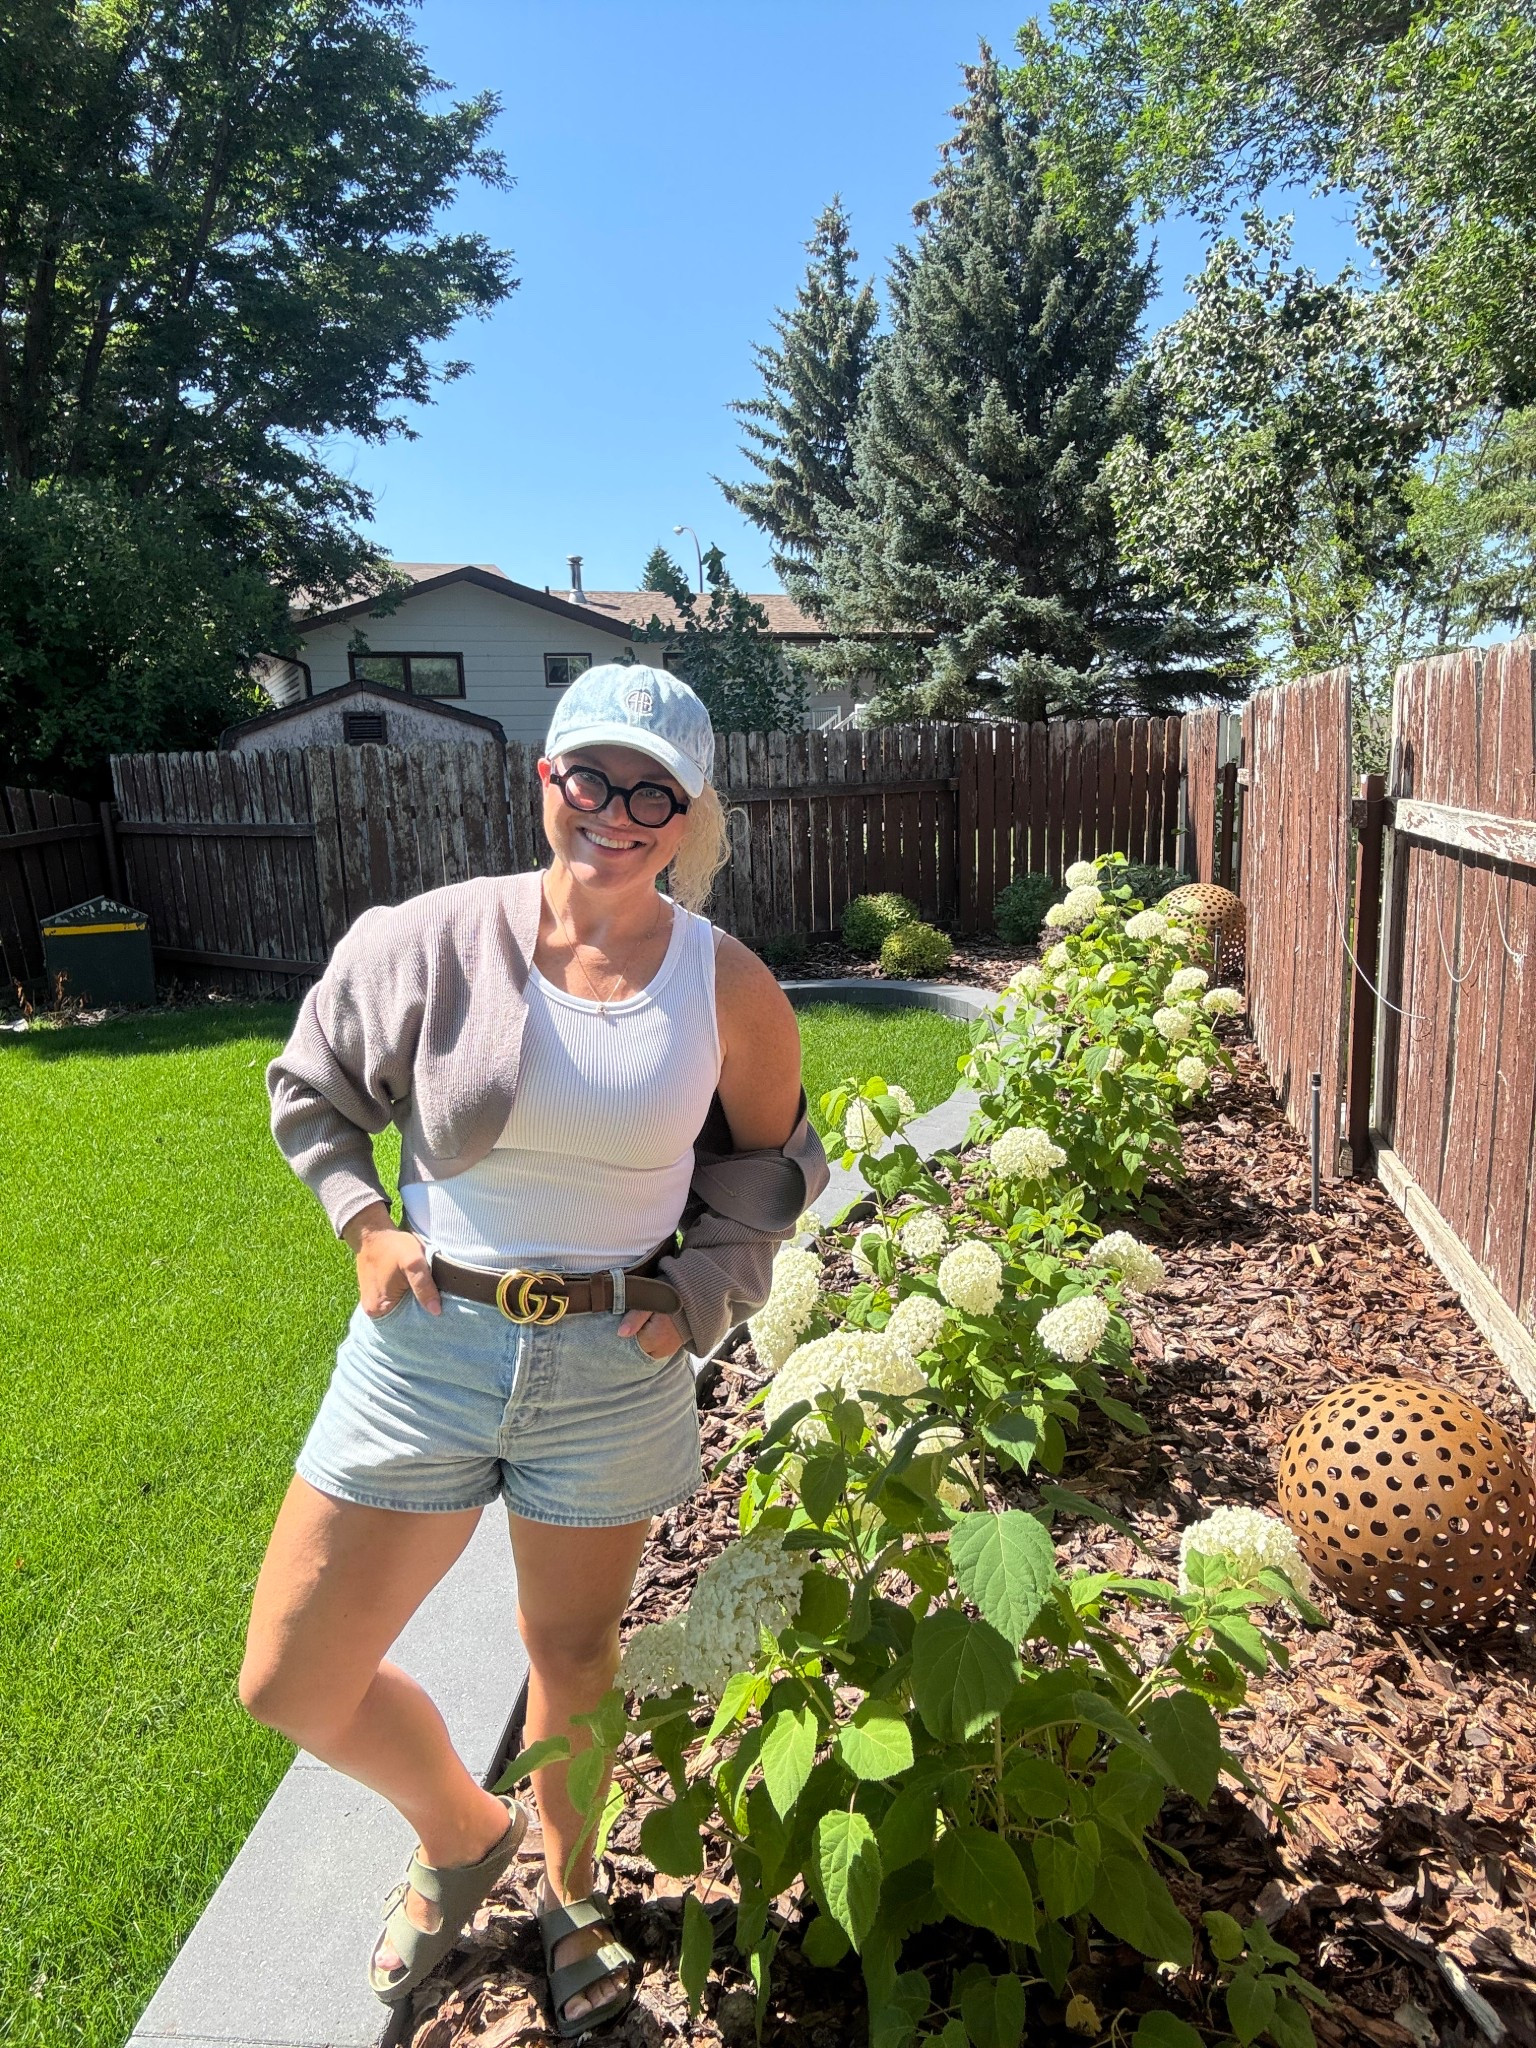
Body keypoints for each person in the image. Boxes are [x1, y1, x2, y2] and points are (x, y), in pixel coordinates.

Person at [242, 664, 827, 2035]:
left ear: (686, 816)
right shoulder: (429, 938)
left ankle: (570, 1893)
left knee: (572, 1658)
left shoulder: (725, 985)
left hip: (609, 1369)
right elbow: (311, 1090)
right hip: (425, 1346)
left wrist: (702, 1299)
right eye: (590, 777)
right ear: (544, 781)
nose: (614, 813)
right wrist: (366, 1223)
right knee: (290, 1676)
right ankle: (463, 1833)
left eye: (651, 792)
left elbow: (769, 1168)